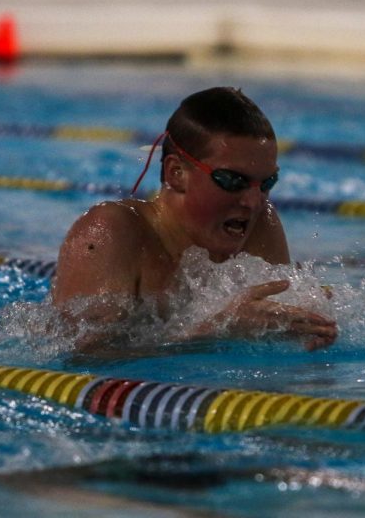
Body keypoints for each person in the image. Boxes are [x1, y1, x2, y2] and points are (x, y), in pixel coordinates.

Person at [52, 87, 337, 352]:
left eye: (267, 182)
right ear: (177, 173)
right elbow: (81, 360)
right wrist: (212, 333)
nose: (254, 201)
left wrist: (303, 329)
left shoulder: (261, 224)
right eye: (232, 180)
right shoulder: (109, 234)